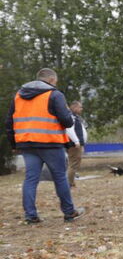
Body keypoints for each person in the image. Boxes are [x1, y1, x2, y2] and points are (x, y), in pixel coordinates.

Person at [4, 68, 85, 223]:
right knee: (60, 177)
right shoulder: (55, 95)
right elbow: (67, 121)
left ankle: (30, 215)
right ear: (51, 80)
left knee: (30, 179)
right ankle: (69, 212)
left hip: (27, 143)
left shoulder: (19, 96)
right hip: (50, 142)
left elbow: (9, 122)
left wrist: (14, 144)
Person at [64, 100, 87, 188]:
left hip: (78, 143)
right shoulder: (70, 117)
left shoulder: (76, 117)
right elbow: (69, 129)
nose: (81, 109)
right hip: (74, 144)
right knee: (73, 163)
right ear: (74, 107)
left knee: (75, 163)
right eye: (80, 107)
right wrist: (76, 141)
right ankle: (69, 183)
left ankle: (71, 181)